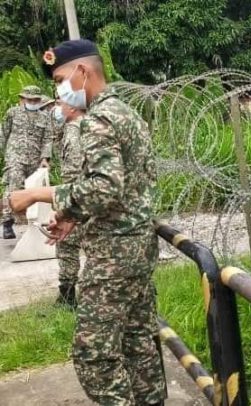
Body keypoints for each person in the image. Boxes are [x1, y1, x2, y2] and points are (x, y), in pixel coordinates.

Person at [9, 39, 166, 405]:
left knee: (92, 353)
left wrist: (34, 195)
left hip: (113, 256)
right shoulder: (126, 113)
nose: (60, 89)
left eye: (62, 79)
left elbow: (103, 189)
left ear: (82, 72)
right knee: (138, 342)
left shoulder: (98, 120)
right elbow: (123, 187)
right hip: (137, 247)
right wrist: (72, 216)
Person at [1, 85, 53, 239]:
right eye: (29, 99)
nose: (32, 102)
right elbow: (3, 134)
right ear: (22, 99)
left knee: (34, 191)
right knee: (13, 187)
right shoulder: (12, 113)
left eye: (36, 100)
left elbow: (48, 139)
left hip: (35, 159)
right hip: (15, 157)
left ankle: (35, 224)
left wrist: (45, 158)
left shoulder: (44, 117)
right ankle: (7, 223)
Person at [52, 102, 85, 308]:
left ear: (72, 108)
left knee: (67, 244)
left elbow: (74, 177)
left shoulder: (74, 133)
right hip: (86, 200)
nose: (56, 108)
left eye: (59, 103)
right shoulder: (81, 127)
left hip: (79, 202)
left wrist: (65, 211)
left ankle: (67, 297)